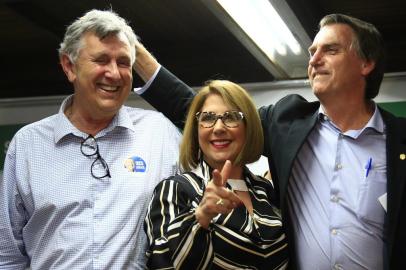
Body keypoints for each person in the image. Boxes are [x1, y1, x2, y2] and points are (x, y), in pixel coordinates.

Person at [133, 14, 406, 270]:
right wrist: (134, 53)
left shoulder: (398, 140)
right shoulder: (287, 122)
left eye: (331, 50)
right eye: (312, 52)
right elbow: (206, 115)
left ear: (366, 63)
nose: (314, 60)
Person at [0, 9, 181, 269]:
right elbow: (7, 254)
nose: (114, 74)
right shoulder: (28, 144)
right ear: (69, 66)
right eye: (101, 60)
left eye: (122, 62)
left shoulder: (159, 134)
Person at [144, 80, 288, 269]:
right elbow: (162, 263)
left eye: (231, 117)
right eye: (208, 118)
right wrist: (201, 217)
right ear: (196, 130)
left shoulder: (265, 189)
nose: (219, 127)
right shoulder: (176, 189)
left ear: (248, 127)